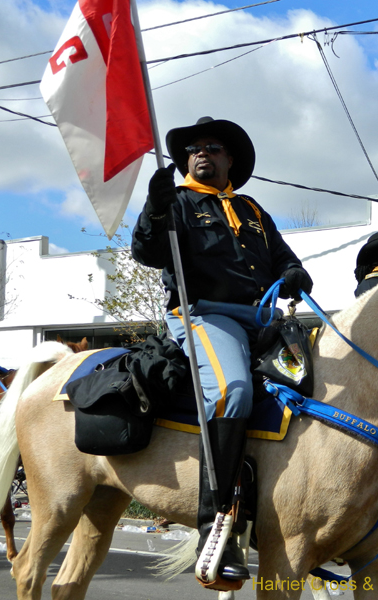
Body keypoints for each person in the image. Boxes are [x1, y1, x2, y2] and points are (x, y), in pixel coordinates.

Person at [131, 117, 312, 583]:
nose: (200, 154)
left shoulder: (252, 210)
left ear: (229, 159)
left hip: (263, 320)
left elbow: (284, 258)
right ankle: (215, 527)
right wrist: (155, 209)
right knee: (234, 391)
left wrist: (294, 273)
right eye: (193, 149)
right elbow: (147, 253)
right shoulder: (177, 202)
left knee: (320, 388)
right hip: (206, 315)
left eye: (211, 147)